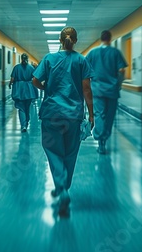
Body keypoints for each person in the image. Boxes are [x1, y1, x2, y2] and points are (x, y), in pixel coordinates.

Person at [32, 26, 94, 216]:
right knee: (70, 153)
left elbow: (35, 80)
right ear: (75, 41)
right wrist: (91, 114)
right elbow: (86, 89)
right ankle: (64, 187)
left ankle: (61, 187)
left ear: (60, 40)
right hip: (73, 116)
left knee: (53, 151)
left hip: (52, 113)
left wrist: (47, 88)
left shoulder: (49, 59)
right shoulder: (81, 60)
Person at [85, 30, 127, 154]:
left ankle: (100, 141)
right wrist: (118, 84)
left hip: (97, 90)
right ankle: (105, 137)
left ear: (101, 39)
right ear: (110, 39)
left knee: (99, 114)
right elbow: (122, 70)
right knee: (110, 115)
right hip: (112, 90)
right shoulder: (115, 53)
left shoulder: (93, 53)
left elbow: (85, 69)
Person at [9, 53, 38, 132]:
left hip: (19, 89)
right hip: (29, 89)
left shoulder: (16, 67)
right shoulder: (31, 68)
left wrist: (10, 84)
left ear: (21, 59)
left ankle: (23, 125)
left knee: (21, 108)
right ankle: (26, 122)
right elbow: (35, 78)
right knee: (27, 107)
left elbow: (12, 79)